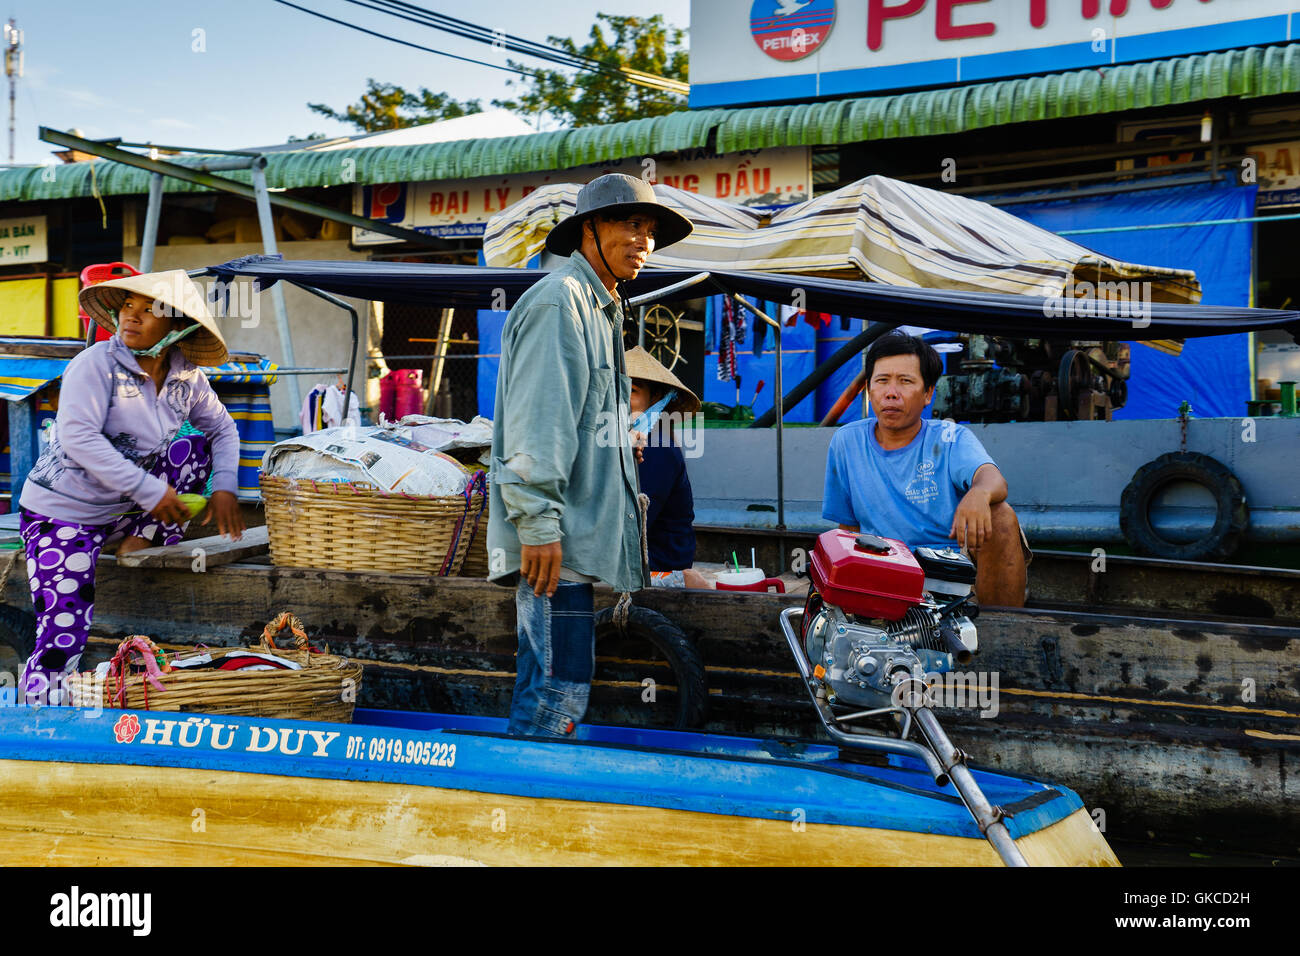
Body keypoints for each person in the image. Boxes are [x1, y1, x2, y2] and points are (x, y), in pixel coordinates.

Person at [488, 174, 693, 738]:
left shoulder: (601, 309)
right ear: (589, 230)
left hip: (570, 541)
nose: (644, 243)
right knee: (558, 694)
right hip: (556, 542)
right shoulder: (561, 302)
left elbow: (581, 419)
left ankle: (525, 805)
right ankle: (527, 809)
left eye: (650, 231)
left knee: (554, 683)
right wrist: (538, 523)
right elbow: (537, 424)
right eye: (631, 225)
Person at [17, 269, 245, 705]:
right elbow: (79, 439)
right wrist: (150, 492)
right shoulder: (94, 365)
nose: (131, 318)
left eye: (148, 311)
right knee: (63, 634)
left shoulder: (188, 378)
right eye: (127, 307)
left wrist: (226, 487)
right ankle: (38, 720)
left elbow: (223, 430)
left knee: (194, 450)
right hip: (63, 513)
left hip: (125, 510)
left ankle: (139, 537)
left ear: (178, 326)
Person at [821, 331, 1028, 607]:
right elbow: (847, 530)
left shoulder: (950, 438)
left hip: (950, 576)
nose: (891, 393)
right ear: (870, 389)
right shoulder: (846, 442)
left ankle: (1002, 631)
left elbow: (993, 479)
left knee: (1000, 514)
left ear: (928, 393)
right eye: (882, 381)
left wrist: (979, 494)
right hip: (884, 569)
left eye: (906, 382)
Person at [624, 346, 707, 589]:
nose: (621, 398)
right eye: (617, 389)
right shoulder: (624, 442)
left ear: (656, 399)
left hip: (657, 570)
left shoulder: (657, 447)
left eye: (633, 391)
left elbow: (634, 529)